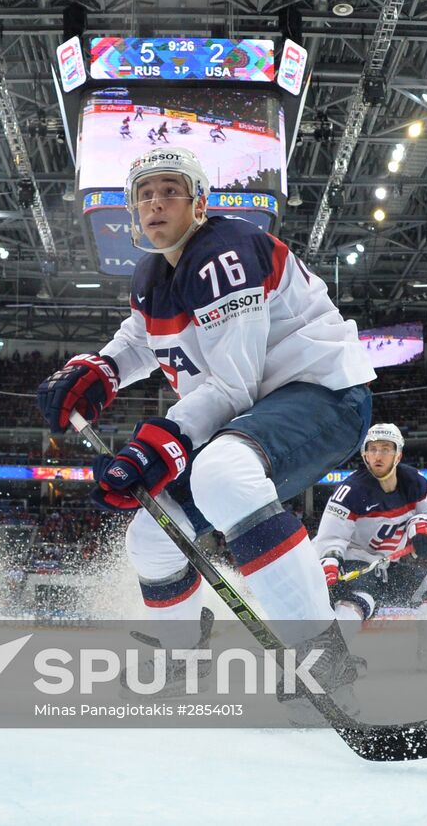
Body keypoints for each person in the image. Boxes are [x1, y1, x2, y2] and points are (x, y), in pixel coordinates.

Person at [36, 145, 375, 708]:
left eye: (169, 189)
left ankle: (322, 659)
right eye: (143, 194)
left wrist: (159, 444)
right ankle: (180, 659)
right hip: (253, 415)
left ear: (200, 202)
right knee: (154, 533)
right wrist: (99, 370)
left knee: (221, 471)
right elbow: (141, 339)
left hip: (323, 395)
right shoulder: (151, 273)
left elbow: (231, 383)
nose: (154, 202)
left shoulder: (227, 250)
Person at [314, 424, 427, 672]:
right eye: (372, 449)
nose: (378, 455)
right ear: (365, 455)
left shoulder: (416, 483)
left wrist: (425, 529)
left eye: (385, 449)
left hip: (387, 567)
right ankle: (329, 659)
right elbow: (330, 538)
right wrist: (329, 565)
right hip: (353, 563)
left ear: (398, 455)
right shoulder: (350, 492)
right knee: (360, 598)